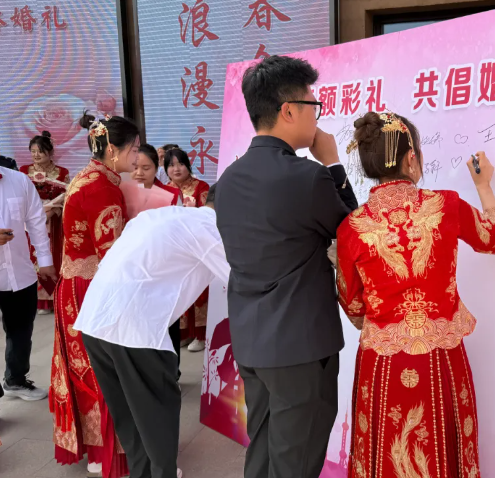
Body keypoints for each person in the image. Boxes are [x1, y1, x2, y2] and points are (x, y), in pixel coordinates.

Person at [336, 112, 495, 478]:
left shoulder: (352, 228)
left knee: (384, 455)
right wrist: (483, 186)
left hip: (381, 364)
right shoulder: (445, 206)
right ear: (411, 157)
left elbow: (353, 306)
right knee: (441, 454)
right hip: (440, 359)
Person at [216, 55, 358, 478]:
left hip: (251, 340)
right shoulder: (307, 177)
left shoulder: (229, 180)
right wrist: (333, 163)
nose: (317, 116)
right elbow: (356, 233)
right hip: (300, 346)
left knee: (263, 447)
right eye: (314, 106)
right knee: (296, 459)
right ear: (289, 111)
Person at [73, 183, 229, 478]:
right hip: (134, 329)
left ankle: (143, 473)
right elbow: (245, 280)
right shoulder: (212, 229)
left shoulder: (163, 215)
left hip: (95, 319)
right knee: (157, 411)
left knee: (128, 413)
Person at [50, 112, 140, 478]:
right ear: (113, 150)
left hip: (74, 285)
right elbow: (112, 256)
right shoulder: (103, 188)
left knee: (85, 369)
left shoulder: (86, 176)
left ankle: (96, 450)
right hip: (93, 288)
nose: (138, 156)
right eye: (134, 149)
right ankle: (109, 452)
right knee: (106, 371)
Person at [0, 166, 57, 401]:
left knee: (21, 330)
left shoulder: (19, 180)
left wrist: (45, 260)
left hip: (20, 272)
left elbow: (35, 221)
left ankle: (15, 380)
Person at [131, 144, 182, 376]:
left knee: (167, 322)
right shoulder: (122, 192)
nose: (139, 173)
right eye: (135, 167)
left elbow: (177, 233)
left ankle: (171, 372)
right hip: (133, 269)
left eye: (146, 168)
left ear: (156, 168)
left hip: (163, 269)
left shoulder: (170, 195)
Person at [165, 148, 210, 352]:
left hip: (197, 247)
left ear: (188, 165)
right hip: (175, 249)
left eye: (180, 164)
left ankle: (201, 334)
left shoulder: (201, 187)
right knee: (179, 290)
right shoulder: (164, 190)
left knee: (199, 290)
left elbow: (206, 217)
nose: (176, 169)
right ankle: (184, 332)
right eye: (171, 165)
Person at [20, 131, 70, 314]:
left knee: (53, 255)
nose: (36, 155)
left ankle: (54, 298)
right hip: (30, 220)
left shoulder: (62, 172)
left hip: (53, 221)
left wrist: (51, 211)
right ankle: (36, 299)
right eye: (33, 151)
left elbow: (66, 197)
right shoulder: (24, 171)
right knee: (31, 257)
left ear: (50, 152)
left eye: (40, 151)